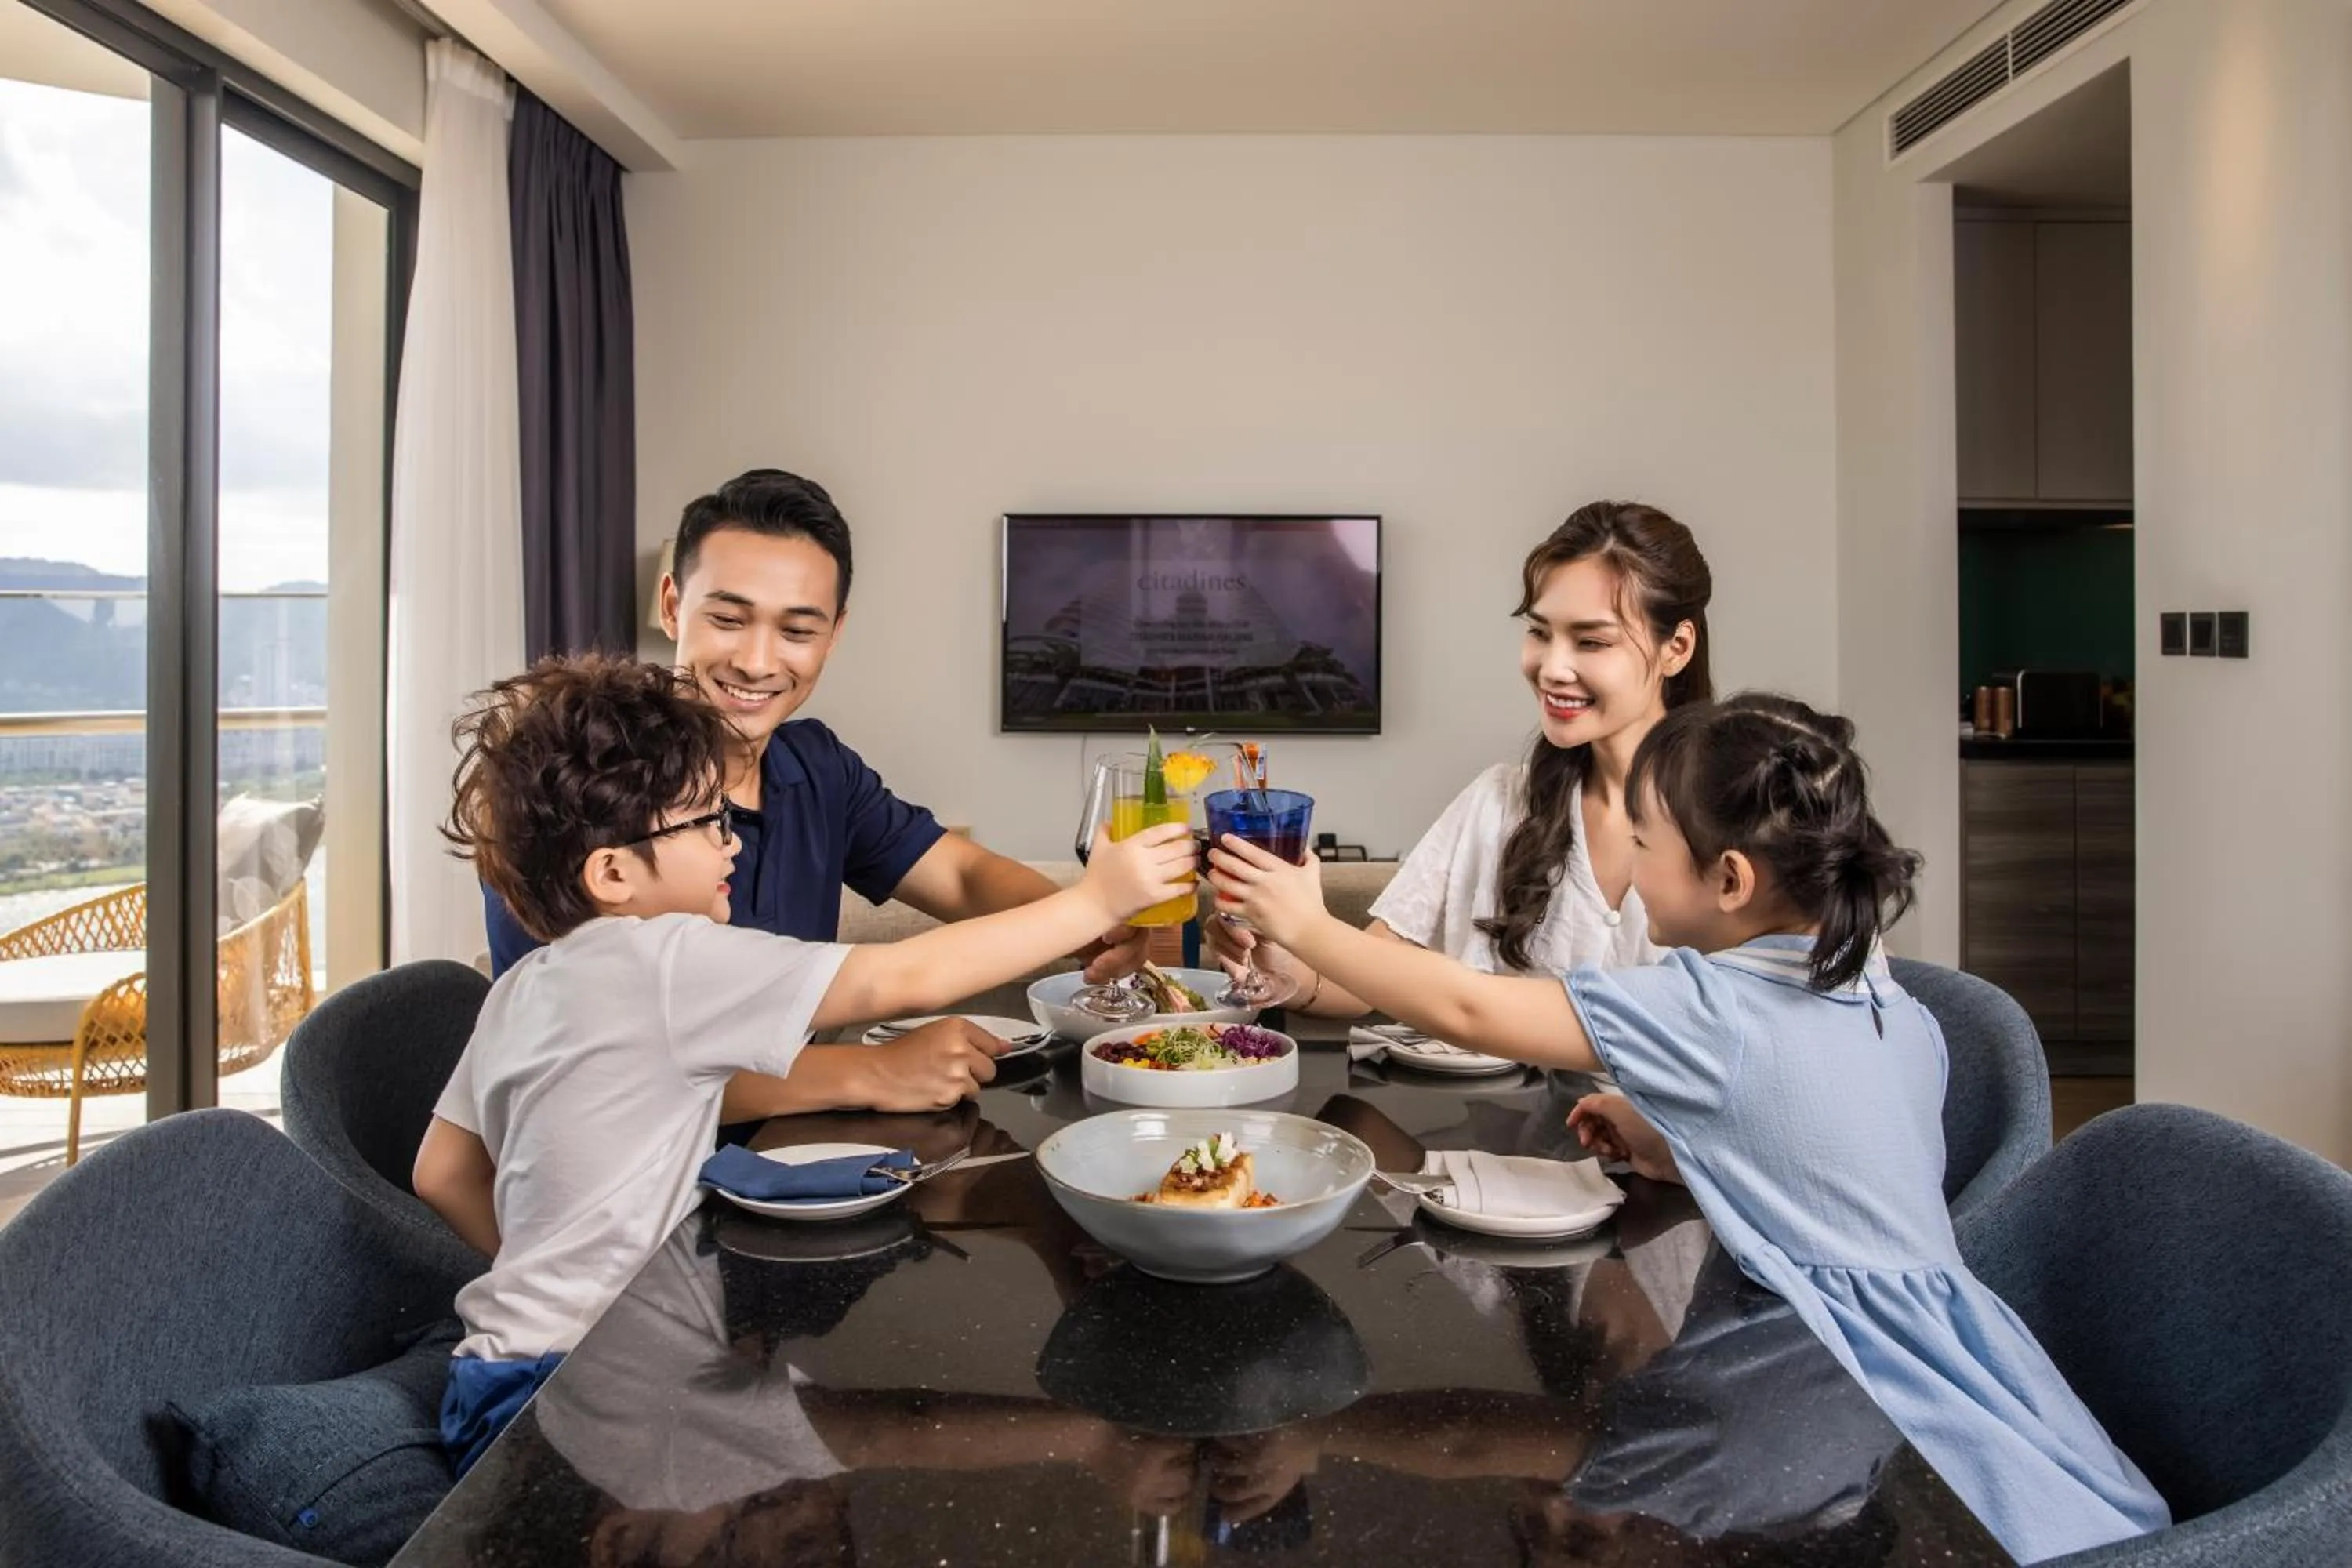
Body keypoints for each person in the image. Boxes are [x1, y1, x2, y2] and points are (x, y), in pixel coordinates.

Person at [1208, 692, 2169, 1564]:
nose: (1627, 866)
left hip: (1821, 1376)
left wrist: (1309, 924)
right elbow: (1828, 1146)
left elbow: (1469, 1009)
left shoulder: (1708, 1006)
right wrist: (1681, 1137)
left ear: (1731, 878)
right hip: (1959, 1377)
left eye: (1643, 843)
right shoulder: (1876, 988)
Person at [416, 655, 1193, 1475]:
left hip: (492, 1376)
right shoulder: (667, 959)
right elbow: (904, 976)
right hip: (596, 1397)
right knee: (871, 1432)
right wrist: (1095, 901)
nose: (731, 843)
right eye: (704, 824)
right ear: (612, 872)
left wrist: (554, 1291)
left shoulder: (522, 987)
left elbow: (443, 1172)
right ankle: (1096, 1438)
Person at [485, 468, 1149, 1120]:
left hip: (804, 1152)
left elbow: (961, 876)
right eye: (728, 618)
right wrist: (866, 1072)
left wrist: (1091, 930)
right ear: (671, 605)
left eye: (798, 631)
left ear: (835, 633)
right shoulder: (574, 785)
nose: (756, 662)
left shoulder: (816, 766)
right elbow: (580, 1066)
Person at [1212, 501, 1711, 1026]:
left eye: (1591, 641)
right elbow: (1365, 982)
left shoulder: (1735, 822)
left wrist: (1309, 927)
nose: (1552, 668)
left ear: (1676, 648)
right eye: (1540, 633)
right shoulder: (1498, 802)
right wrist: (1280, 958)